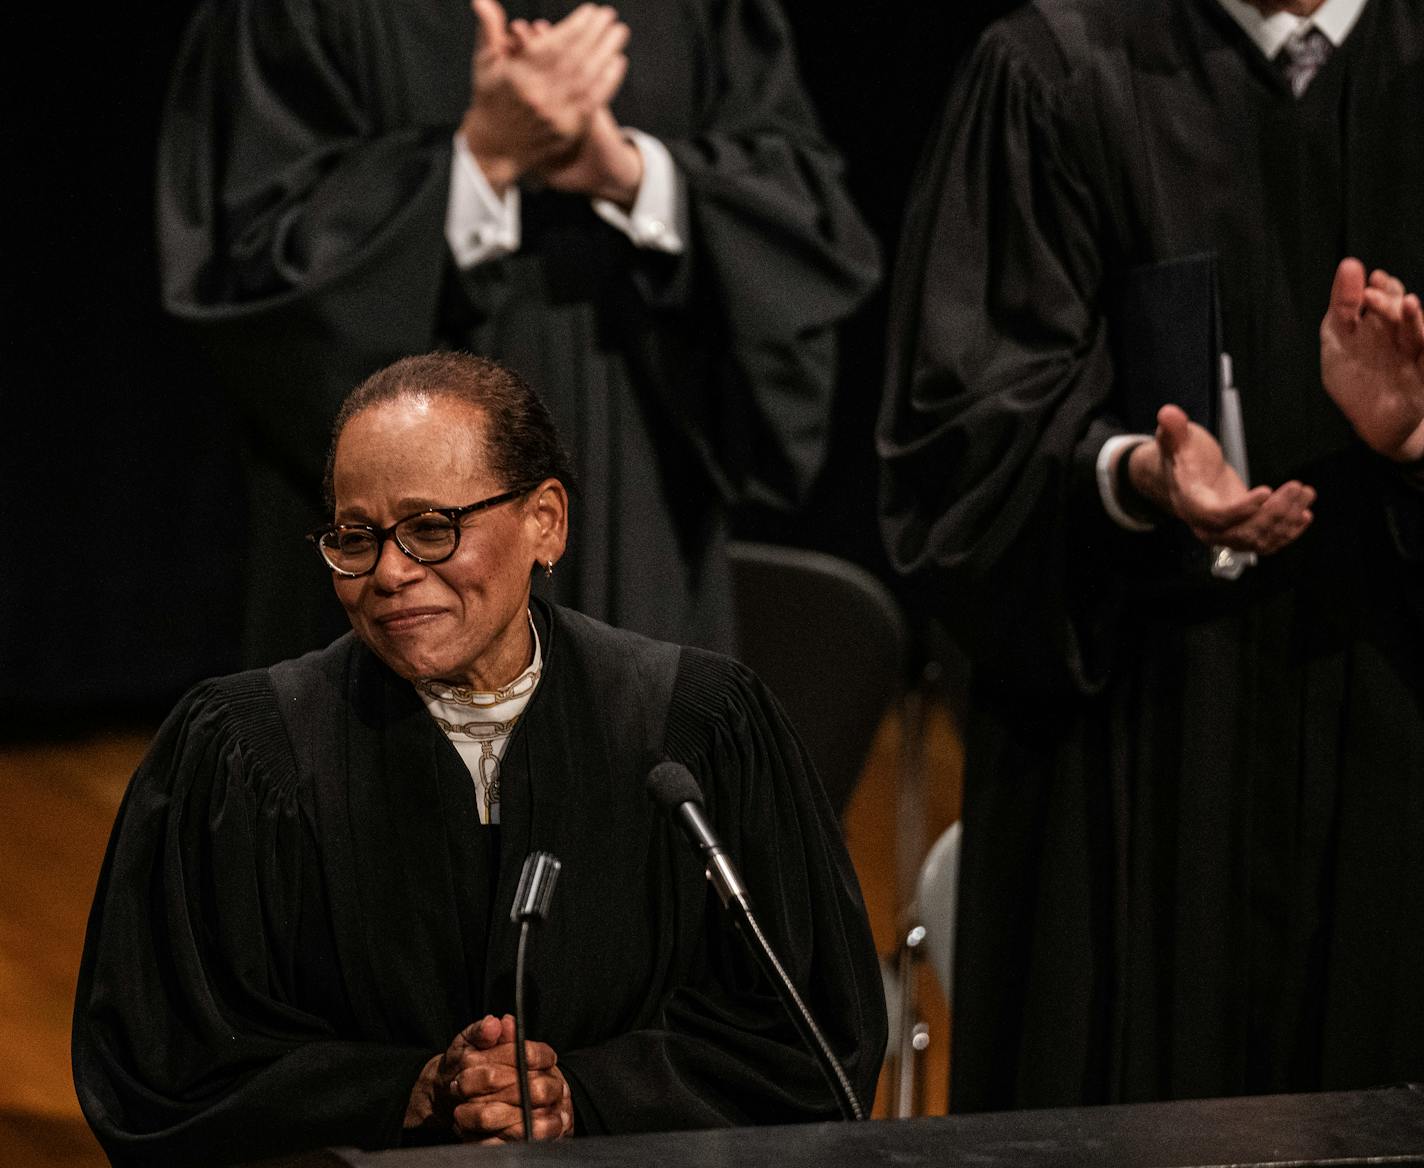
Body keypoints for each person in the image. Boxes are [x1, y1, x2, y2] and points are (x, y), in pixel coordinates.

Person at [73, 353, 887, 1166]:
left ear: (546, 522)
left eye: (433, 529)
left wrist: (589, 1097)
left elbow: (805, 1037)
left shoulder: (697, 728)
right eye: (355, 538)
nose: (390, 573)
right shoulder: (244, 754)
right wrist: (410, 1090)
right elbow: (163, 1067)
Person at [878, 0, 1424, 1111]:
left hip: (1393, 728)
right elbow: (956, 426)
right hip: (1129, 754)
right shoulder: (1051, 71)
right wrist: (1130, 472)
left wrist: (1414, 441)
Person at [157, 0, 880, 666]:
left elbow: (803, 211)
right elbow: (249, 260)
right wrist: (479, 162)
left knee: (632, 764)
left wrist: (631, 175)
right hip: (394, 547)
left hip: (637, 503)